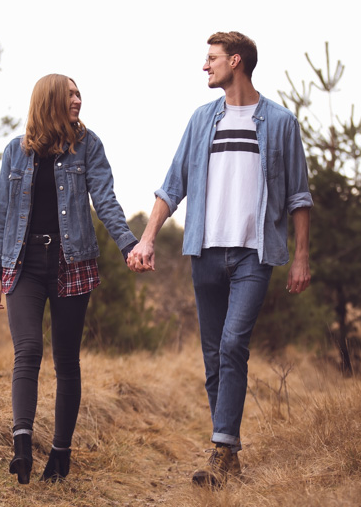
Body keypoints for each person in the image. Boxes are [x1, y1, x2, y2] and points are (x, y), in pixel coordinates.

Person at [127, 31, 313, 488]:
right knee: (214, 356)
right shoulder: (200, 121)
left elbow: (299, 196)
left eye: (210, 59)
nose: (204, 67)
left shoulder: (280, 122)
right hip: (204, 253)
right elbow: (172, 185)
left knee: (233, 345)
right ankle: (227, 452)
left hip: (254, 254)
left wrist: (301, 256)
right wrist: (147, 238)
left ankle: (219, 447)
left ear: (236, 62)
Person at [0, 73, 138, 484]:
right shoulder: (14, 154)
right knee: (28, 350)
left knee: (66, 360)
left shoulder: (88, 146)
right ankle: (21, 446)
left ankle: (60, 453)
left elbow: (105, 199)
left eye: (78, 93)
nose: (78, 99)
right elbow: (2, 214)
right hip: (24, 263)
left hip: (73, 262)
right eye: (70, 93)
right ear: (50, 100)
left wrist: (128, 245)